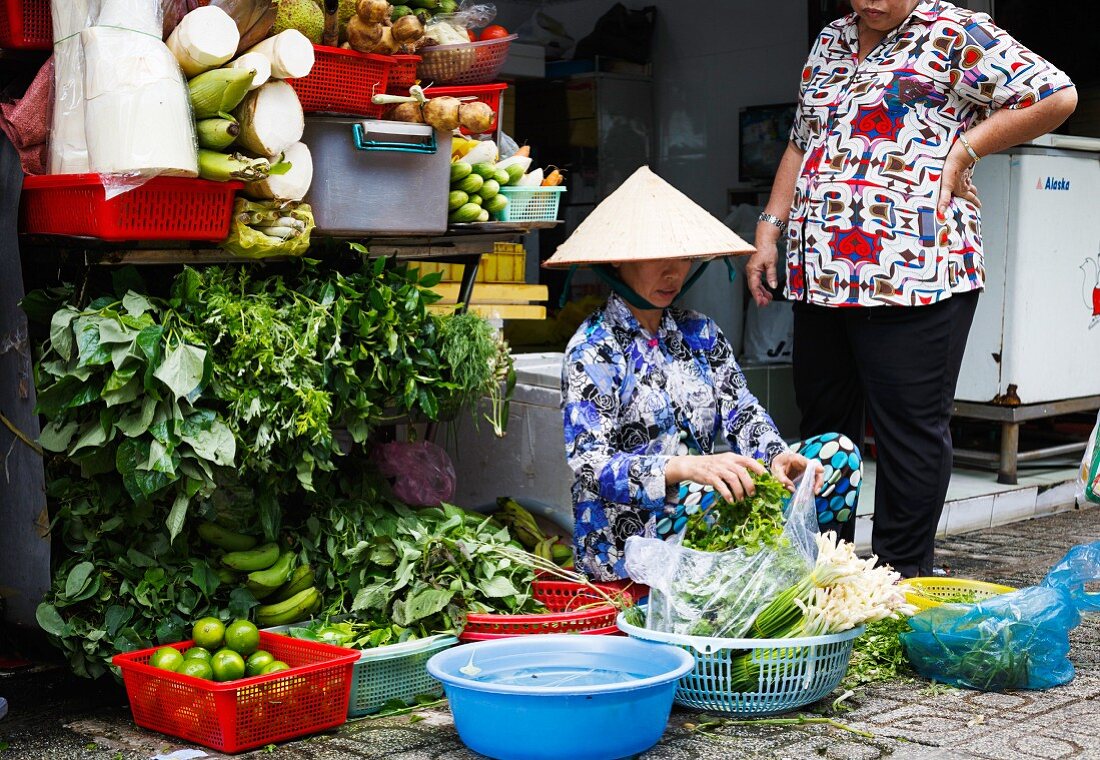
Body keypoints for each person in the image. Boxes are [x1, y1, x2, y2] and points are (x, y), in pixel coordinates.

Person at [746, 0, 1077, 577]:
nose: (870, 2)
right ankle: (827, 576)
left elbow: (1055, 96)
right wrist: (769, 228)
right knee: (825, 428)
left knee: (908, 433)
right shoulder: (831, 38)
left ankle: (898, 581)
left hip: (917, 271)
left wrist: (968, 148)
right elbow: (802, 141)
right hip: (820, 275)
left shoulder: (954, 31)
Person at [546, 167, 862, 583]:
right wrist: (683, 468)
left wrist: (775, 455)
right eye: (658, 257)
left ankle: (808, 586)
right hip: (631, 537)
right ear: (618, 259)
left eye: (682, 257)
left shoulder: (700, 333)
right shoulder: (594, 348)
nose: (673, 272)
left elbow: (741, 412)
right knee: (721, 491)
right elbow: (592, 465)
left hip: (707, 502)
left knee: (837, 455)